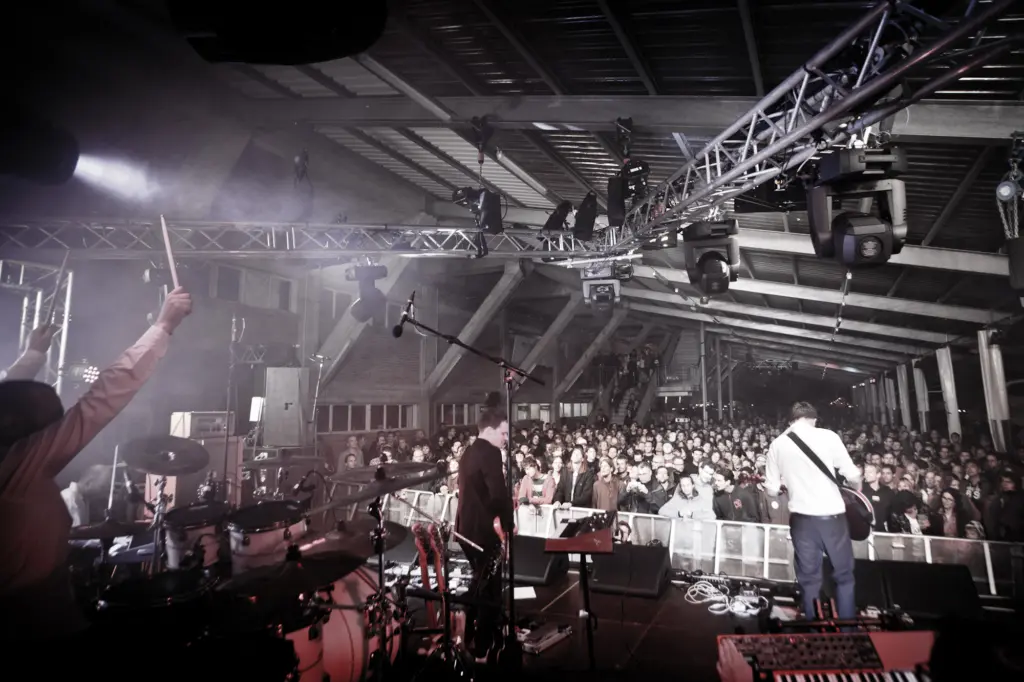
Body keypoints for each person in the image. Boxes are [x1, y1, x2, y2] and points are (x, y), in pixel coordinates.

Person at [0, 287, 192, 642]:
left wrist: (33, 355)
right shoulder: (16, 466)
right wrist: (163, 325)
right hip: (34, 621)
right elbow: (102, 397)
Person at [764, 401, 861, 620]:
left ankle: (812, 627)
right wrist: (856, 487)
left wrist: (786, 484)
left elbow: (770, 490)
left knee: (809, 580)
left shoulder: (778, 444)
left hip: (801, 520)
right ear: (814, 419)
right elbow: (853, 476)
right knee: (844, 576)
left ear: (791, 421)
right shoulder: (828, 436)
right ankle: (847, 631)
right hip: (832, 518)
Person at [454, 404, 514, 662]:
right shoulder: (490, 453)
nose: (506, 439)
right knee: (490, 589)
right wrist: (509, 528)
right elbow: (498, 494)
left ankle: (466, 631)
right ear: (489, 431)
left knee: (481, 581)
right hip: (484, 532)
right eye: (503, 433)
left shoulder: (468, 451)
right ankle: (482, 646)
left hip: (466, 529)